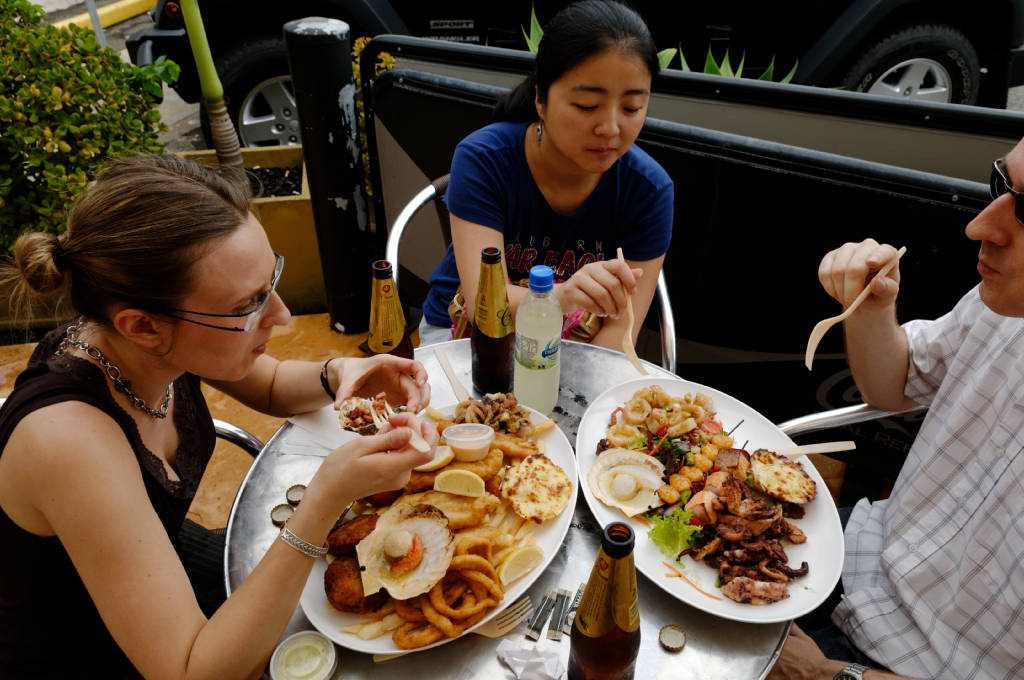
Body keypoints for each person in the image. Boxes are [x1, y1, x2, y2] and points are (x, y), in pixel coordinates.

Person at [0, 155, 436, 678]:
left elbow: (271, 383)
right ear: (142, 326)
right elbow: (192, 671)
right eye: (247, 306)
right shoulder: (68, 441)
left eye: (270, 279)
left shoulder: (148, 340)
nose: (282, 316)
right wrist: (325, 497)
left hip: (157, 560)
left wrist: (341, 371)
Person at [768, 139, 1024, 679]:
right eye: (1002, 184)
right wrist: (871, 307)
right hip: (857, 554)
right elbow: (893, 385)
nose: (979, 226)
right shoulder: (1005, 303)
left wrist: (826, 675)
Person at [420, 0, 674, 349]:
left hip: (573, 347)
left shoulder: (649, 190)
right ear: (541, 98)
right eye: (587, 106)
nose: (611, 128)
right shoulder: (484, 160)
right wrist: (562, 296)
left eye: (632, 108)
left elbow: (619, 333)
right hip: (465, 337)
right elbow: (486, 304)